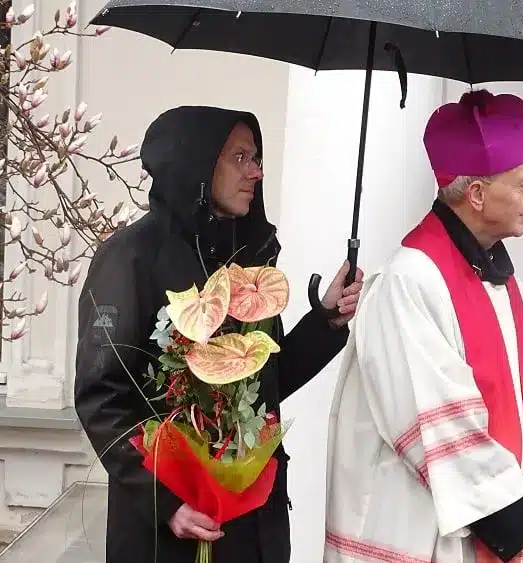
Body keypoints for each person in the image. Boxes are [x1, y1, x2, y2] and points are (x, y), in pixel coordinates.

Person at [74, 106, 363, 563]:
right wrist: (165, 503)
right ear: (198, 164)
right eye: (240, 157)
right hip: (169, 535)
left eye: (257, 157)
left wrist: (325, 320)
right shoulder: (129, 259)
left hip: (252, 526)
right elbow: (102, 398)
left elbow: (265, 381)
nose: (257, 172)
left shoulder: (246, 260)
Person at [324, 90, 523, 563]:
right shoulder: (409, 279)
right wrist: (506, 507)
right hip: (416, 524)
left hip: (489, 505)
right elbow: (430, 411)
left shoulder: (500, 275)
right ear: (477, 194)